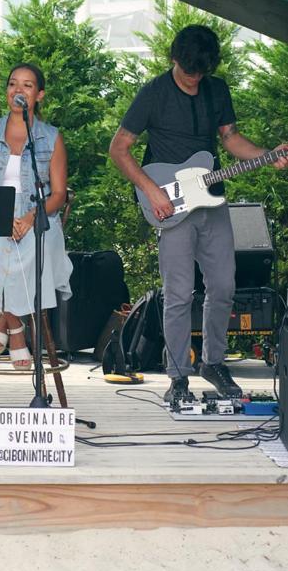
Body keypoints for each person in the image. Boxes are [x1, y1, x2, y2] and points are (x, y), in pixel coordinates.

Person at [109, 25, 288, 402]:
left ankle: (213, 362)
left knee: (223, 286)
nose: (194, 80)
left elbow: (230, 139)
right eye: (188, 72)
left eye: (200, 74)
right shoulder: (153, 93)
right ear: (174, 59)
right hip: (168, 202)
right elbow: (119, 148)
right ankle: (178, 377)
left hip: (213, 200)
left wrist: (269, 156)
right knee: (177, 294)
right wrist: (151, 189)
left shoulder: (216, 89)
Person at [0, 63, 73, 368]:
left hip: (36, 216)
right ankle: (15, 329)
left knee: (32, 250)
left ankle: (1, 321)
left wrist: (28, 219)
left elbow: (58, 195)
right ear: (6, 92)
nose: (18, 90)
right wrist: (2, 220)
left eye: (27, 86)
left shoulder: (51, 137)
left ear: (39, 95)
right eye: (13, 84)